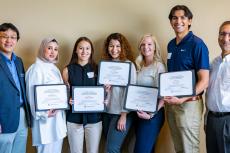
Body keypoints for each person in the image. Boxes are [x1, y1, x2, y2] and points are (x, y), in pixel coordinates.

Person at [164, 5, 209, 153]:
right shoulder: (171, 45)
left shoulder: (198, 44)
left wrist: (183, 99)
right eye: (174, 18)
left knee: (190, 149)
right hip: (171, 105)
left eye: (183, 17)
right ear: (171, 21)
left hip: (189, 105)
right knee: (179, 148)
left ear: (189, 21)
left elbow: (204, 81)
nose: (178, 21)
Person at [26, 38, 67, 153]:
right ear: (42, 49)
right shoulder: (36, 69)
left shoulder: (54, 68)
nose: (53, 52)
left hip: (57, 119)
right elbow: (31, 96)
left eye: (55, 49)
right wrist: (43, 114)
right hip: (44, 121)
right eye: (49, 48)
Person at [62, 37, 102, 153]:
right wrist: (67, 100)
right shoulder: (67, 70)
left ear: (91, 51)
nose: (84, 52)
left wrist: (104, 98)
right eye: (81, 48)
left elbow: (103, 92)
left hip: (94, 119)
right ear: (76, 50)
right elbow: (64, 94)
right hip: (74, 119)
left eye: (87, 48)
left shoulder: (98, 69)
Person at [101, 33, 136, 153]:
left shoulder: (129, 65)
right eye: (111, 46)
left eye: (117, 46)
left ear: (123, 47)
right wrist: (105, 90)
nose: (114, 49)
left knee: (112, 149)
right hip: (106, 113)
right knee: (110, 147)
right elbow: (99, 92)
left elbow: (131, 91)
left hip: (120, 114)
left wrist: (124, 115)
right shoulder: (104, 65)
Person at [0, 23, 32, 153]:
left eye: (13, 37)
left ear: (16, 40)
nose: (9, 41)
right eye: (4, 36)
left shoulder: (19, 61)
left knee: (19, 150)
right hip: (3, 116)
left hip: (22, 115)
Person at [134, 34, 165, 153]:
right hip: (139, 114)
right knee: (148, 150)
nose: (145, 47)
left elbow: (163, 96)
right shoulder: (139, 66)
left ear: (155, 47)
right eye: (143, 44)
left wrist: (151, 114)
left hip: (152, 116)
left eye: (149, 44)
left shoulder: (159, 66)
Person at [205, 21, 230, 153]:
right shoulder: (214, 63)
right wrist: (205, 119)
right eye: (222, 34)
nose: (226, 39)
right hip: (211, 120)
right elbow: (209, 93)